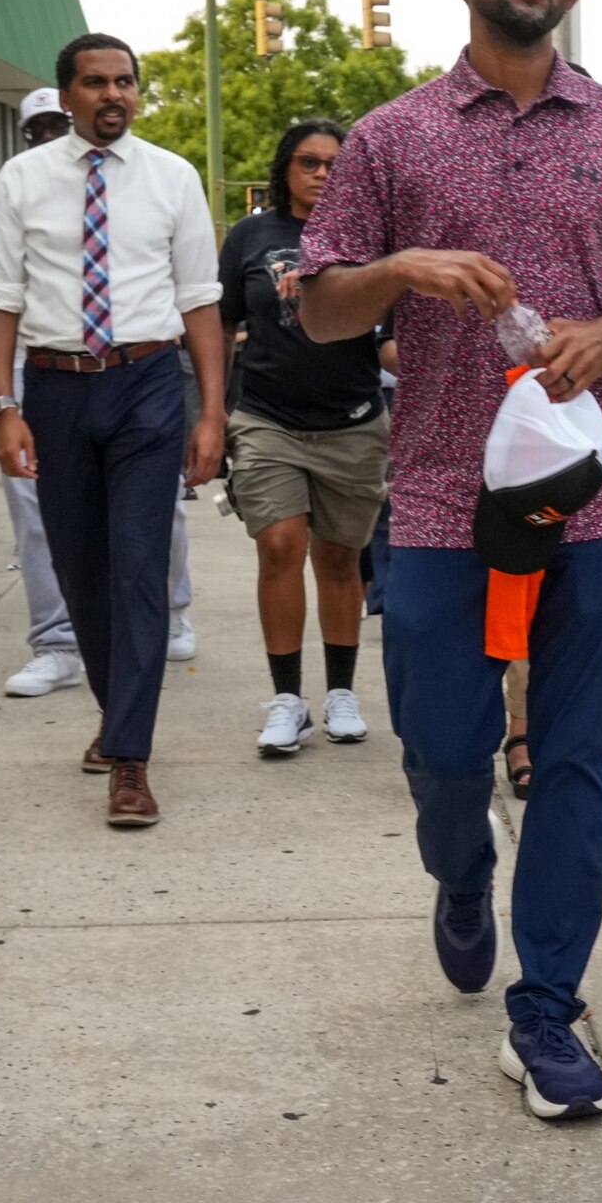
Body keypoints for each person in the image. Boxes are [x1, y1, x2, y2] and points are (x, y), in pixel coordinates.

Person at [300, 0, 602, 1123]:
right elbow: (318, 304)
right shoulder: (391, 137)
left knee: (573, 756)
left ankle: (548, 1011)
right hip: (433, 491)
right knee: (443, 746)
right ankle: (459, 867)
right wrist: (403, 266)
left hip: (596, 481)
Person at [0, 88, 198, 698]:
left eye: (124, 80)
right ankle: (97, 691)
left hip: (147, 377)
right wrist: (3, 405)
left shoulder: (171, 175)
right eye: (94, 82)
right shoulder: (22, 180)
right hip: (56, 385)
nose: (112, 93)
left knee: (140, 559)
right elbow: (0, 298)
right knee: (79, 567)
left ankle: (129, 747)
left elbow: (200, 298)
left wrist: (211, 412)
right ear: (67, 98)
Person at [219, 117, 389, 754]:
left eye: (332, 164)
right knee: (280, 547)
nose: (321, 173)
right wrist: (212, 412)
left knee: (341, 560)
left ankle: (341, 691)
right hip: (268, 417)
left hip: (352, 422)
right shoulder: (250, 235)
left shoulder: (370, 239)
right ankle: (287, 699)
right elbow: (217, 323)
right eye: (308, 162)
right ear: (284, 169)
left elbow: (393, 335)